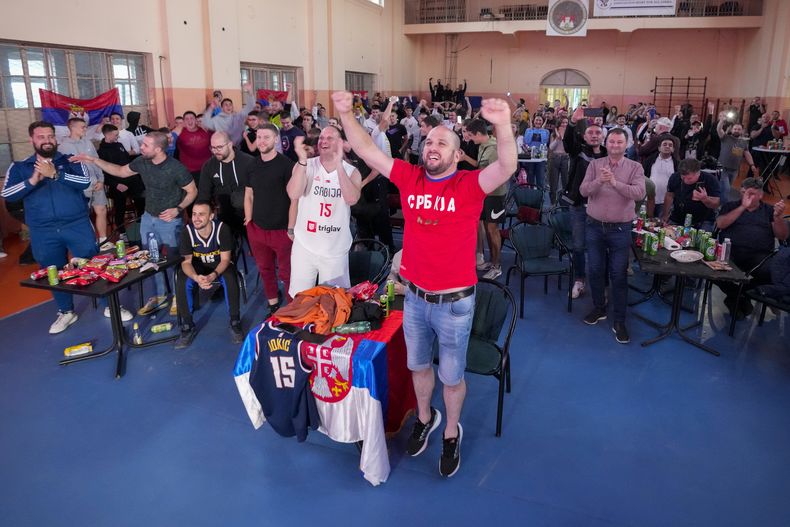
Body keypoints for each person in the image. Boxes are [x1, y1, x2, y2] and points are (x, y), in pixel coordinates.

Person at [334, 89, 516, 477]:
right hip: (414, 298)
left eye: (443, 143)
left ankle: (451, 431)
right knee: (418, 367)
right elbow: (368, 151)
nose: (433, 146)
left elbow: (505, 166)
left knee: (451, 378)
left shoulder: (468, 185)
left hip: (454, 303)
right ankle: (424, 417)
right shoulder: (410, 177)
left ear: (455, 153)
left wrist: (503, 125)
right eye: (429, 140)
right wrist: (347, 115)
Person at [2, 121, 132, 333]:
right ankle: (65, 312)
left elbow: (84, 182)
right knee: (52, 271)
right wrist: (33, 180)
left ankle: (110, 305)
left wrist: (56, 174)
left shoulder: (70, 160)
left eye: (50, 136)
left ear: (56, 138)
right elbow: (7, 194)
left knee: (95, 264)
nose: (46, 140)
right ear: (32, 140)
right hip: (43, 230)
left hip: (76, 224)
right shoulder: (20, 167)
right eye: (41, 137)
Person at [72, 131, 197, 316]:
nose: (141, 148)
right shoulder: (142, 161)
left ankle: (179, 296)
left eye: (145, 145)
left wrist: (177, 209)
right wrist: (93, 160)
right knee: (151, 258)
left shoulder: (176, 168)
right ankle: (161, 296)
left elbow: (192, 191)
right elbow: (121, 171)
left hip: (169, 221)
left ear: (158, 149)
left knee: (173, 259)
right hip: (148, 218)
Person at [580, 128, 646, 344]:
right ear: (606, 144)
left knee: (618, 274)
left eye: (619, 142)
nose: (615, 145)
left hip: (620, 229)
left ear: (626, 145)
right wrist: (600, 181)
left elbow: (639, 193)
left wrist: (615, 183)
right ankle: (599, 308)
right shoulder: (594, 165)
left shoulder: (635, 167)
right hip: (594, 226)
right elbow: (583, 191)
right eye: (612, 142)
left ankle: (619, 320)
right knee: (595, 270)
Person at [286, 126, 361, 297]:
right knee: (300, 298)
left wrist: (339, 164)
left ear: (340, 143)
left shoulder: (352, 171)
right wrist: (302, 160)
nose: (323, 141)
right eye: (321, 138)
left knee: (334, 302)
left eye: (329, 138)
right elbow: (293, 193)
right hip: (305, 245)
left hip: (335, 248)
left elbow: (351, 199)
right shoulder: (306, 164)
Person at [715, 177, 788, 317]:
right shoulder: (731, 206)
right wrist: (742, 207)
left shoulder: (769, 211)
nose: (745, 196)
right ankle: (740, 297)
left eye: (751, 194)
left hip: (759, 256)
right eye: (743, 192)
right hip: (730, 251)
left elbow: (782, 236)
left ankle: (736, 298)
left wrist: (778, 218)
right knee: (712, 270)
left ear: (760, 195)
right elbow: (720, 224)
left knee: (773, 272)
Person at [174, 201, 243, 348]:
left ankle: (235, 321)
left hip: (218, 264)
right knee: (182, 279)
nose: (196, 218)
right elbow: (186, 262)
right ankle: (187, 325)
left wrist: (213, 275)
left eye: (201, 214)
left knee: (230, 277)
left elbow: (225, 259)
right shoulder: (187, 231)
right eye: (194, 214)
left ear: (211, 216)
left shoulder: (222, 229)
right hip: (197, 266)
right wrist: (195, 277)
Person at [245, 124, 297, 314]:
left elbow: (294, 199)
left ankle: (293, 307)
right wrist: (248, 219)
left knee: (287, 273)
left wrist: (291, 228)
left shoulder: (286, 165)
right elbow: (248, 193)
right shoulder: (251, 165)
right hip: (257, 229)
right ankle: (273, 303)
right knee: (265, 269)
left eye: (266, 137)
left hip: (282, 229)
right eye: (258, 137)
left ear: (276, 140)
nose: (261, 141)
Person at [563, 107, 608, 300]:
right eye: (591, 132)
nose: (595, 135)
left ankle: (601, 284)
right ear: (584, 136)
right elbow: (567, 143)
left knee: (601, 248)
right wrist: (572, 122)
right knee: (579, 246)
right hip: (579, 206)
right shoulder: (577, 151)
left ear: (603, 136)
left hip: (603, 208)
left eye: (598, 132)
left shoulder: (609, 155)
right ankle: (580, 279)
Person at [57, 117, 110, 245]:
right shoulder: (63, 147)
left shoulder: (88, 143)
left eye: (85, 126)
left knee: (101, 210)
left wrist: (101, 180)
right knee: (83, 215)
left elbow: (96, 161)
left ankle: (103, 240)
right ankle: (89, 242)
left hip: (96, 183)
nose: (85, 129)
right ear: (72, 128)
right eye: (82, 127)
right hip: (81, 186)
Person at [467, 118, 505, 280]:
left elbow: (496, 174)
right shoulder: (483, 145)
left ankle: (497, 266)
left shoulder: (494, 148)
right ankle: (492, 261)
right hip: (484, 193)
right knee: (487, 228)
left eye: (470, 135)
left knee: (492, 230)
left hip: (495, 195)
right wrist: (464, 159)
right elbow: (479, 165)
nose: (469, 138)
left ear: (478, 134)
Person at [198, 131, 254, 236]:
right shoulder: (209, 166)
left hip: (248, 214)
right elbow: (203, 194)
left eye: (219, 147)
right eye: (213, 148)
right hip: (223, 216)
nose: (215, 151)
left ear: (230, 144)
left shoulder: (248, 162)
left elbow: (258, 190)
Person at [97, 124, 146, 233]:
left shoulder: (119, 145)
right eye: (115, 135)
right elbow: (103, 173)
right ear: (108, 135)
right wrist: (116, 185)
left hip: (130, 179)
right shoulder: (101, 152)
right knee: (120, 206)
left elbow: (127, 162)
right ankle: (121, 231)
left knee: (142, 197)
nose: (117, 137)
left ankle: (141, 223)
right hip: (116, 183)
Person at [661, 158, 720, 231]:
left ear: (698, 173)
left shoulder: (710, 180)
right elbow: (669, 196)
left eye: (689, 178)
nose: (685, 180)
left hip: (702, 220)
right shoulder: (675, 177)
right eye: (683, 177)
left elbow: (716, 203)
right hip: (678, 217)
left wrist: (705, 199)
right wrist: (665, 215)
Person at [717, 119, 758, 203]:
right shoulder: (725, 137)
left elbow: (747, 154)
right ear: (732, 130)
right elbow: (719, 129)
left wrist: (752, 165)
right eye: (735, 129)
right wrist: (722, 121)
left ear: (742, 131)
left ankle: (719, 203)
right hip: (722, 168)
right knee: (726, 188)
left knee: (726, 189)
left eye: (739, 129)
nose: (736, 130)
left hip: (734, 170)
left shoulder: (743, 142)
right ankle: (722, 207)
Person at [176, 111, 212, 191]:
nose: (189, 121)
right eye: (187, 119)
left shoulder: (205, 130)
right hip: (189, 170)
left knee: (208, 191)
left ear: (196, 120)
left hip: (207, 168)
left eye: (192, 118)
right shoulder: (179, 132)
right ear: (184, 122)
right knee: (193, 193)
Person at [642, 138, 678, 219]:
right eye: (664, 144)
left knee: (661, 225)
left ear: (673, 149)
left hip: (665, 202)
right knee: (646, 222)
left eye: (670, 145)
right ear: (659, 148)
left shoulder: (676, 164)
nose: (667, 146)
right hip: (648, 199)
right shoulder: (650, 160)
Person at [522, 114, 550, 189]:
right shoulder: (528, 130)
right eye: (536, 120)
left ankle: (540, 196)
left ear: (543, 122)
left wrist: (541, 130)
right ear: (533, 121)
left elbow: (544, 142)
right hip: (530, 157)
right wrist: (531, 130)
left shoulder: (546, 131)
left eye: (540, 120)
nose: (538, 122)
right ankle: (530, 195)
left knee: (540, 178)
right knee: (530, 177)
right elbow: (527, 141)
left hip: (541, 158)